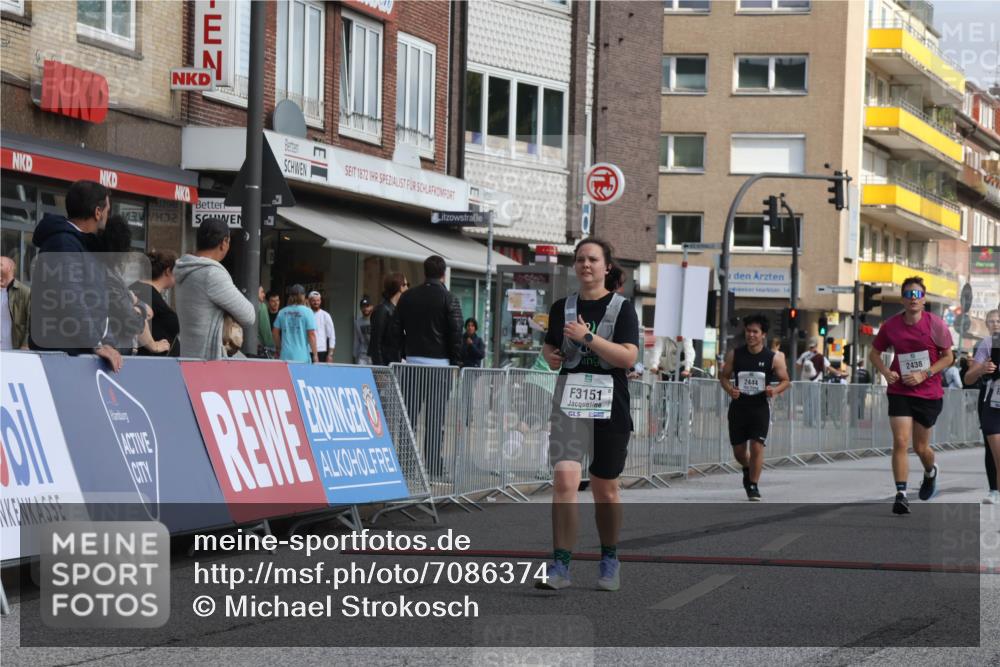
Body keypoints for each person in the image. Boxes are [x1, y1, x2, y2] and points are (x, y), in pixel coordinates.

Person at [535, 238, 639, 593]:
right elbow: (551, 346)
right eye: (580, 259)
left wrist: (588, 337)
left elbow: (628, 357)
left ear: (607, 266)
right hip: (569, 403)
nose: (585, 265)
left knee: (604, 489)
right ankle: (560, 564)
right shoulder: (562, 307)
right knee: (564, 481)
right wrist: (550, 356)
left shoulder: (623, 308)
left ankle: (610, 558)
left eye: (593, 259)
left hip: (611, 405)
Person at [868, 277, 954, 515]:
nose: (913, 299)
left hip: (928, 392)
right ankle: (901, 494)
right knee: (900, 441)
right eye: (908, 294)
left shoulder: (936, 324)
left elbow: (949, 357)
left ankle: (930, 471)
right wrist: (886, 372)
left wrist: (924, 374)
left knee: (920, 447)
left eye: (917, 295)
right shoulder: (891, 326)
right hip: (900, 390)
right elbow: (874, 353)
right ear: (903, 300)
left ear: (923, 299)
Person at [30, 179, 122, 371]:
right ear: (98, 212)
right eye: (108, 210)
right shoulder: (63, 243)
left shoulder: (82, 244)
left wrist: (108, 343)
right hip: (61, 360)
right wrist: (96, 344)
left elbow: (96, 303)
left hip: (77, 357)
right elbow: (70, 299)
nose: (108, 215)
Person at [392, 256, 464, 478]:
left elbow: (396, 329)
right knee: (435, 418)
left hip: (412, 364)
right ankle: (433, 466)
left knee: (409, 417)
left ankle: (406, 465)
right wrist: (457, 363)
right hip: (440, 367)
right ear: (443, 273)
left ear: (424, 272)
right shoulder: (449, 299)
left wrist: (402, 354)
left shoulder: (408, 297)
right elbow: (456, 334)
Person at [718, 314, 791, 501]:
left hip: (759, 408)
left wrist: (774, 390)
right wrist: (730, 390)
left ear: (763, 334)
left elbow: (785, 381)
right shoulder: (735, 354)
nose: (751, 335)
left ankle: (753, 485)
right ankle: (747, 467)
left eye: (755, 332)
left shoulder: (773, 358)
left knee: (757, 447)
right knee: (739, 452)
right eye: (748, 331)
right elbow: (723, 377)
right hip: (739, 408)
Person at [174, 217, 256, 360]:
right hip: (210, 361)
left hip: (189, 357)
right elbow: (248, 315)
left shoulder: (184, 269)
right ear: (224, 242)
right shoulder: (212, 274)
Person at [99, 215, 164, 356]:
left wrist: (136, 306)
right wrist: (141, 310)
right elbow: (130, 319)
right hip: (114, 353)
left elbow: (131, 305)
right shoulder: (107, 276)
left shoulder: (112, 273)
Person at [965, 309, 1000, 504]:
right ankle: (994, 490)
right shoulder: (988, 343)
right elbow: (968, 378)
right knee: (993, 449)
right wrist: (982, 369)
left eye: (998, 320)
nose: (995, 324)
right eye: (992, 321)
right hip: (992, 401)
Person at [131, 249, 179, 357]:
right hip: (148, 362)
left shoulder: (137, 289)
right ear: (168, 271)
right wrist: (153, 345)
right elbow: (135, 317)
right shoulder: (148, 294)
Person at [369, 272, 407, 365]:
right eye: (406, 284)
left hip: (396, 364)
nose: (407, 288)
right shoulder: (382, 310)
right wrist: (381, 369)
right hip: (386, 366)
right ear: (400, 287)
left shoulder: (397, 310)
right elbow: (375, 343)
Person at [273, 285, 318, 364]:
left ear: (290, 296)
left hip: (285, 355)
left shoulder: (282, 312)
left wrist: (279, 347)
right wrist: (315, 355)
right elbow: (311, 334)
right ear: (303, 296)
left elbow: (275, 332)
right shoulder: (308, 312)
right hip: (302, 357)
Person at [0, 256, 30, 350]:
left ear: (10, 268)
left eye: (0, 264)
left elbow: (32, 321)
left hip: (13, 348)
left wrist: (25, 344)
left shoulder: (24, 292)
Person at [308, 290, 336, 362]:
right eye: (313, 301)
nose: (316, 303)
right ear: (309, 301)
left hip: (321, 351)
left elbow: (332, 335)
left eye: (318, 300)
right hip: (307, 350)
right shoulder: (306, 314)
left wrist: (330, 354)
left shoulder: (325, 315)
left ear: (320, 301)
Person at [354, 296, 374, 364]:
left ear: (372, 307)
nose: (365, 308)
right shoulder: (357, 322)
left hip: (374, 355)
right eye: (363, 306)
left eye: (367, 306)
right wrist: (355, 355)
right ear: (360, 308)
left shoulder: (376, 320)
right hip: (362, 355)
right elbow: (357, 340)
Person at [256, 286, 276, 357]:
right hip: (260, 347)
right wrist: (271, 346)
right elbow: (265, 329)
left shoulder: (246, 304)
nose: (264, 295)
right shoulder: (262, 306)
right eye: (262, 292)